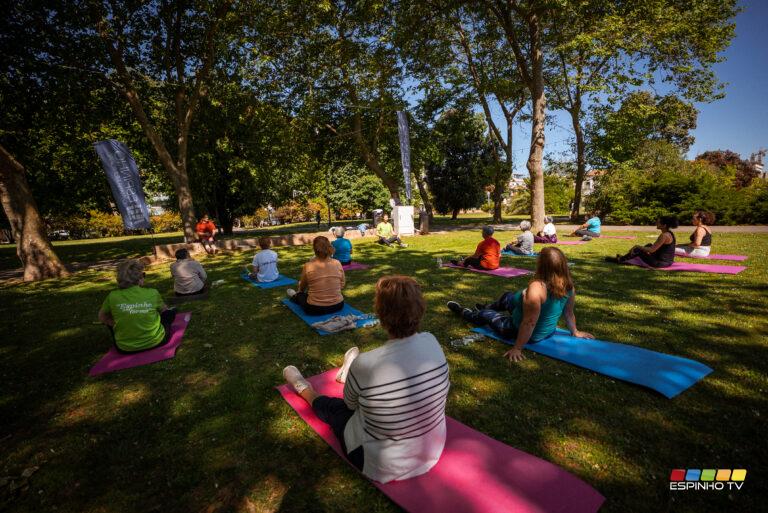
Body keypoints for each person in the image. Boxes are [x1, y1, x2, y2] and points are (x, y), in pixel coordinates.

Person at [282, 275, 449, 483]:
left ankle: (303, 387)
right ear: (420, 309)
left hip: (379, 462)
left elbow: (350, 405)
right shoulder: (432, 341)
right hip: (431, 449)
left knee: (335, 409)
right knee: (367, 395)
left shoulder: (367, 363)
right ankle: (349, 376)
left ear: (380, 314)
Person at [447, 247, 593, 362]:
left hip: (517, 330)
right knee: (508, 297)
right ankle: (486, 307)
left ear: (541, 265)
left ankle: (465, 312)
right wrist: (574, 331)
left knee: (485, 315)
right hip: (543, 328)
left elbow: (529, 322)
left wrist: (517, 348)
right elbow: (568, 313)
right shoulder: (568, 286)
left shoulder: (537, 288)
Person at [98, 259, 177, 354]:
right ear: (139, 278)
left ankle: (127, 336)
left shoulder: (112, 296)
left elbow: (102, 317)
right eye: (143, 274)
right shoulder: (152, 293)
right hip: (156, 341)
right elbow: (164, 311)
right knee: (168, 314)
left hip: (125, 348)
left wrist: (117, 324)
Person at [287, 236, 345, 315]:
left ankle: (294, 296)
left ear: (314, 249)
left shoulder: (308, 266)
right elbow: (342, 284)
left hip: (315, 309)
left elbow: (302, 287)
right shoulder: (337, 263)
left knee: (300, 295)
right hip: (338, 305)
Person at [605, 216, 678, 268]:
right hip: (666, 261)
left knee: (638, 249)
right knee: (648, 245)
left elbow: (652, 250)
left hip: (660, 263)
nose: (656, 223)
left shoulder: (664, 235)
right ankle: (624, 258)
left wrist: (637, 246)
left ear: (664, 225)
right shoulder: (669, 233)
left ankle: (620, 260)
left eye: (658, 222)